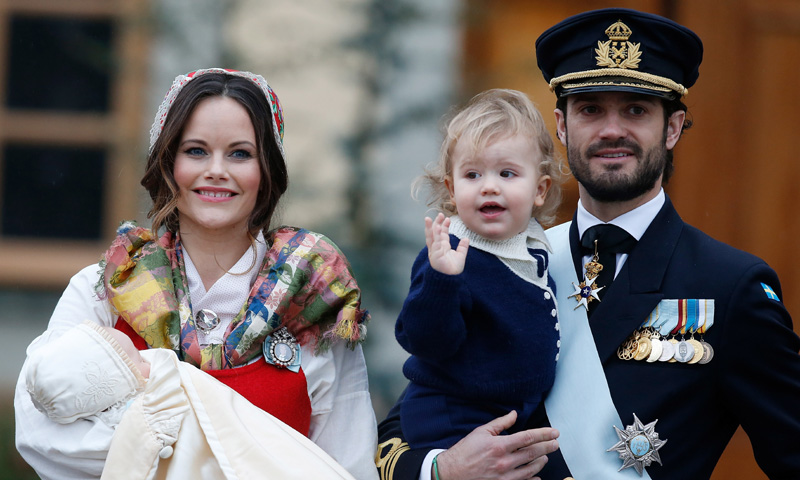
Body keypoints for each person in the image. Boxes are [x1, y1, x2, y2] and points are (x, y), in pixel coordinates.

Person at [376, 8, 800, 480]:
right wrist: (443, 469)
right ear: (561, 125)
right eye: (591, 109)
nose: (611, 130)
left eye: (636, 110)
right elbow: (399, 432)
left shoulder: (730, 286)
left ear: (674, 127)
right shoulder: (499, 258)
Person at [15, 67, 379, 480]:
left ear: (268, 172)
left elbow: (345, 466)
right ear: (168, 164)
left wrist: (156, 444)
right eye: (196, 151)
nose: (217, 170)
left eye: (240, 153)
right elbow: (39, 432)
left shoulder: (311, 302)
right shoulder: (104, 289)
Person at [395, 89, 562, 452]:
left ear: (540, 189)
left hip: (514, 415)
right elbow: (423, 341)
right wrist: (442, 280)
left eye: (507, 173)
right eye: (473, 174)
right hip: (454, 419)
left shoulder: (536, 249)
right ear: (452, 190)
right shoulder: (450, 255)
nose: (489, 185)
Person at [24, 321, 356, 479]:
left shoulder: (316, 291)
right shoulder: (111, 278)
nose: (151, 360)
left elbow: (350, 445)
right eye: (138, 357)